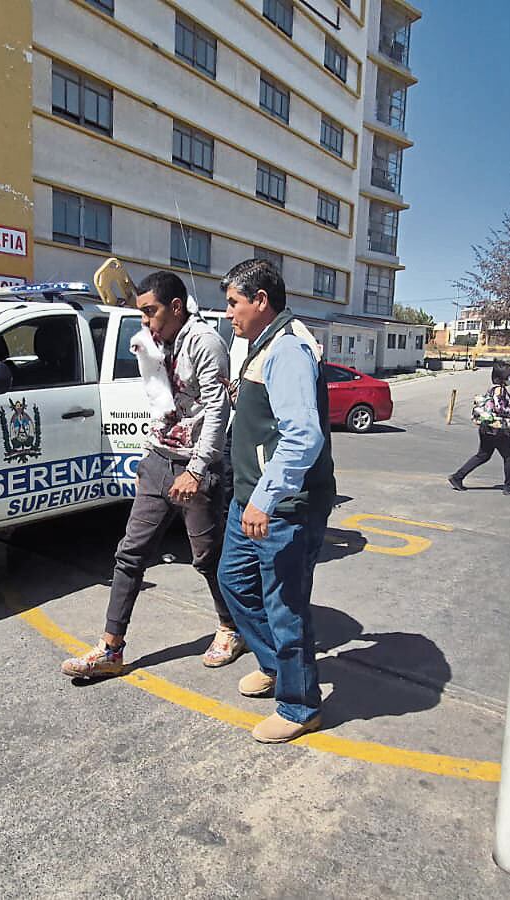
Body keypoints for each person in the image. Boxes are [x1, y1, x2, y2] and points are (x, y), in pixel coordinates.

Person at [60, 271, 244, 678]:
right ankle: (111, 649)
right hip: (159, 461)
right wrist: (149, 458)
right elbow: (161, 402)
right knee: (130, 554)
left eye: (150, 312)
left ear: (176, 307)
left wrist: (196, 470)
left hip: (198, 466)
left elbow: (217, 410)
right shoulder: (156, 342)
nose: (145, 320)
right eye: (142, 312)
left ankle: (231, 627)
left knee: (207, 558)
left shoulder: (205, 342)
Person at [216, 258, 336, 744]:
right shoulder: (260, 345)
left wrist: (265, 499)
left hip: (282, 506)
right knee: (233, 581)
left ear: (260, 300)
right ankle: (274, 666)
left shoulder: (287, 349)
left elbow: (303, 435)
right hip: (248, 497)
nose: (228, 314)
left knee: (285, 606)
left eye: (233, 303)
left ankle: (300, 704)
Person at [449, 360, 510, 495]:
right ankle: (509, 486)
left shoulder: (494, 389)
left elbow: (497, 405)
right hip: (497, 430)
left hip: (487, 429)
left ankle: (457, 477)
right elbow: (499, 408)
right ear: (502, 378)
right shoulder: (500, 390)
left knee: (483, 455)